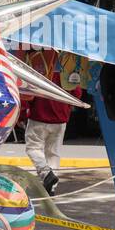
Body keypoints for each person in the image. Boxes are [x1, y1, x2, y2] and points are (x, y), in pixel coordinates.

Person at [21, 50, 82, 195]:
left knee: (33, 148)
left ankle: (46, 173)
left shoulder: (38, 65)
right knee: (53, 153)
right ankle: (51, 186)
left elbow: (29, 94)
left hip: (39, 116)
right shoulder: (67, 67)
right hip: (60, 118)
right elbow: (77, 93)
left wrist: (23, 113)